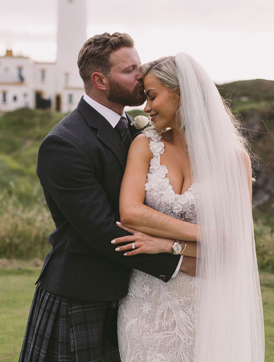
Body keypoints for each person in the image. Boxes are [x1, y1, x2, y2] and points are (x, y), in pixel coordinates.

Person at [18, 33, 196, 362]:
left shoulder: (138, 129)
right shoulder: (64, 144)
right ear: (100, 80)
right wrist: (182, 261)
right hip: (80, 293)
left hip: (130, 294)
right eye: (129, 71)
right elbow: (102, 229)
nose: (140, 77)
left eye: (139, 67)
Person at [112, 54, 265, 361]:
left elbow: (233, 248)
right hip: (145, 305)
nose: (146, 108)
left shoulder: (234, 161)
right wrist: (209, 235)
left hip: (206, 306)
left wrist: (169, 245)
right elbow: (130, 213)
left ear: (181, 93)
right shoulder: (144, 146)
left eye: (152, 96)